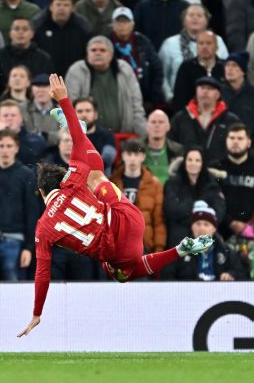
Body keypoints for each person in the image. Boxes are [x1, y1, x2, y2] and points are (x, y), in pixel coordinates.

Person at [17, 74, 214, 337]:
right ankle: (79, 130)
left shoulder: (43, 229)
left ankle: (179, 250)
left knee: (123, 273)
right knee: (94, 171)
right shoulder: (72, 182)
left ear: (42, 192)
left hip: (120, 251)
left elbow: (43, 273)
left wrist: (37, 313)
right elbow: (79, 152)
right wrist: (64, 101)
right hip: (129, 216)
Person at [0, 128, 39, 281]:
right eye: (1, 146)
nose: (5, 150)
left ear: (16, 148)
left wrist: (28, 248)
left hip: (15, 241)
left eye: (9, 146)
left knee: (15, 291)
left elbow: (32, 213)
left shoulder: (26, 174)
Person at [65, 36, 146, 136]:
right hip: (88, 137)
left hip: (123, 135)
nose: (97, 53)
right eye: (93, 50)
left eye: (103, 50)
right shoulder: (76, 71)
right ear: (87, 53)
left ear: (111, 55)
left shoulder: (124, 69)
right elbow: (69, 106)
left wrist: (144, 135)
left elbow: (136, 105)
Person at [110, 138, 166, 255]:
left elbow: (158, 219)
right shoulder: (112, 183)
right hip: (117, 242)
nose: (132, 158)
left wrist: (158, 249)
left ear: (143, 157)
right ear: (123, 156)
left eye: (136, 154)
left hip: (143, 243)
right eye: (129, 154)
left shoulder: (154, 184)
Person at [163, 201, 245, 281]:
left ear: (214, 229)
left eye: (206, 224)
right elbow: (167, 275)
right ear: (192, 227)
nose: (201, 228)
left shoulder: (227, 251)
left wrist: (231, 275)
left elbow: (241, 274)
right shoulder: (178, 250)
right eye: (198, 224)